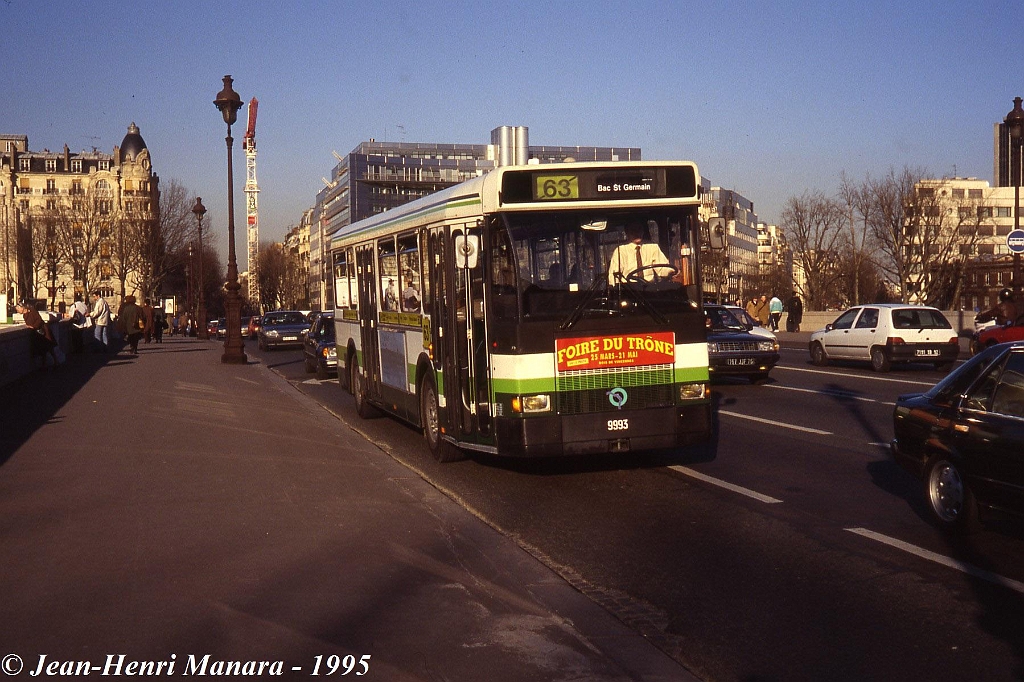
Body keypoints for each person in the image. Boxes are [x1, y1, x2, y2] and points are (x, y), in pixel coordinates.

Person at [607, 221, 672, 284]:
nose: (637, 233)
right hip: (629, 290)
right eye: (633, 230)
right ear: (627, 232)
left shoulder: (652, 246)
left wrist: (670, 271)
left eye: (639, 229)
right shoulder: (620, 250)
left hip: (650, 289)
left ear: (643, 231)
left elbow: (662, 268)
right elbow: (614, 276)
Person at [17, 300, 58, 369]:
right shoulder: (24, 315)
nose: (17, 311)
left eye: (18, 309)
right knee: (43, 349)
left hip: (43, 331)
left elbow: (39, 320)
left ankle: (55, 361)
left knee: (49, 347)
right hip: (37, 332)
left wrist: (33, 326)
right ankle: (44, 364)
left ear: (22, 308)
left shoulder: (33, 311)